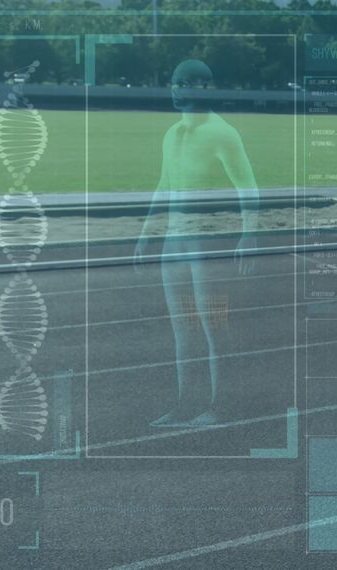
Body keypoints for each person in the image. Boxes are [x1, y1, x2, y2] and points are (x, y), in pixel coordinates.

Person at [133, 59, 260, 427]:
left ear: (206, 88)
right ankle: (185, 404)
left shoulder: (223, 133)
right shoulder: (172, 133)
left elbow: (247, 186)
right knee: (182, 329)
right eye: (175, 82)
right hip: (174, 242)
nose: (176, 89)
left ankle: (222, 408)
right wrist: (146, 233)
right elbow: (164, 183)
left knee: (212, 327)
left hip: (208, 246)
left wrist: (248, 233)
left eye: (186, 83)